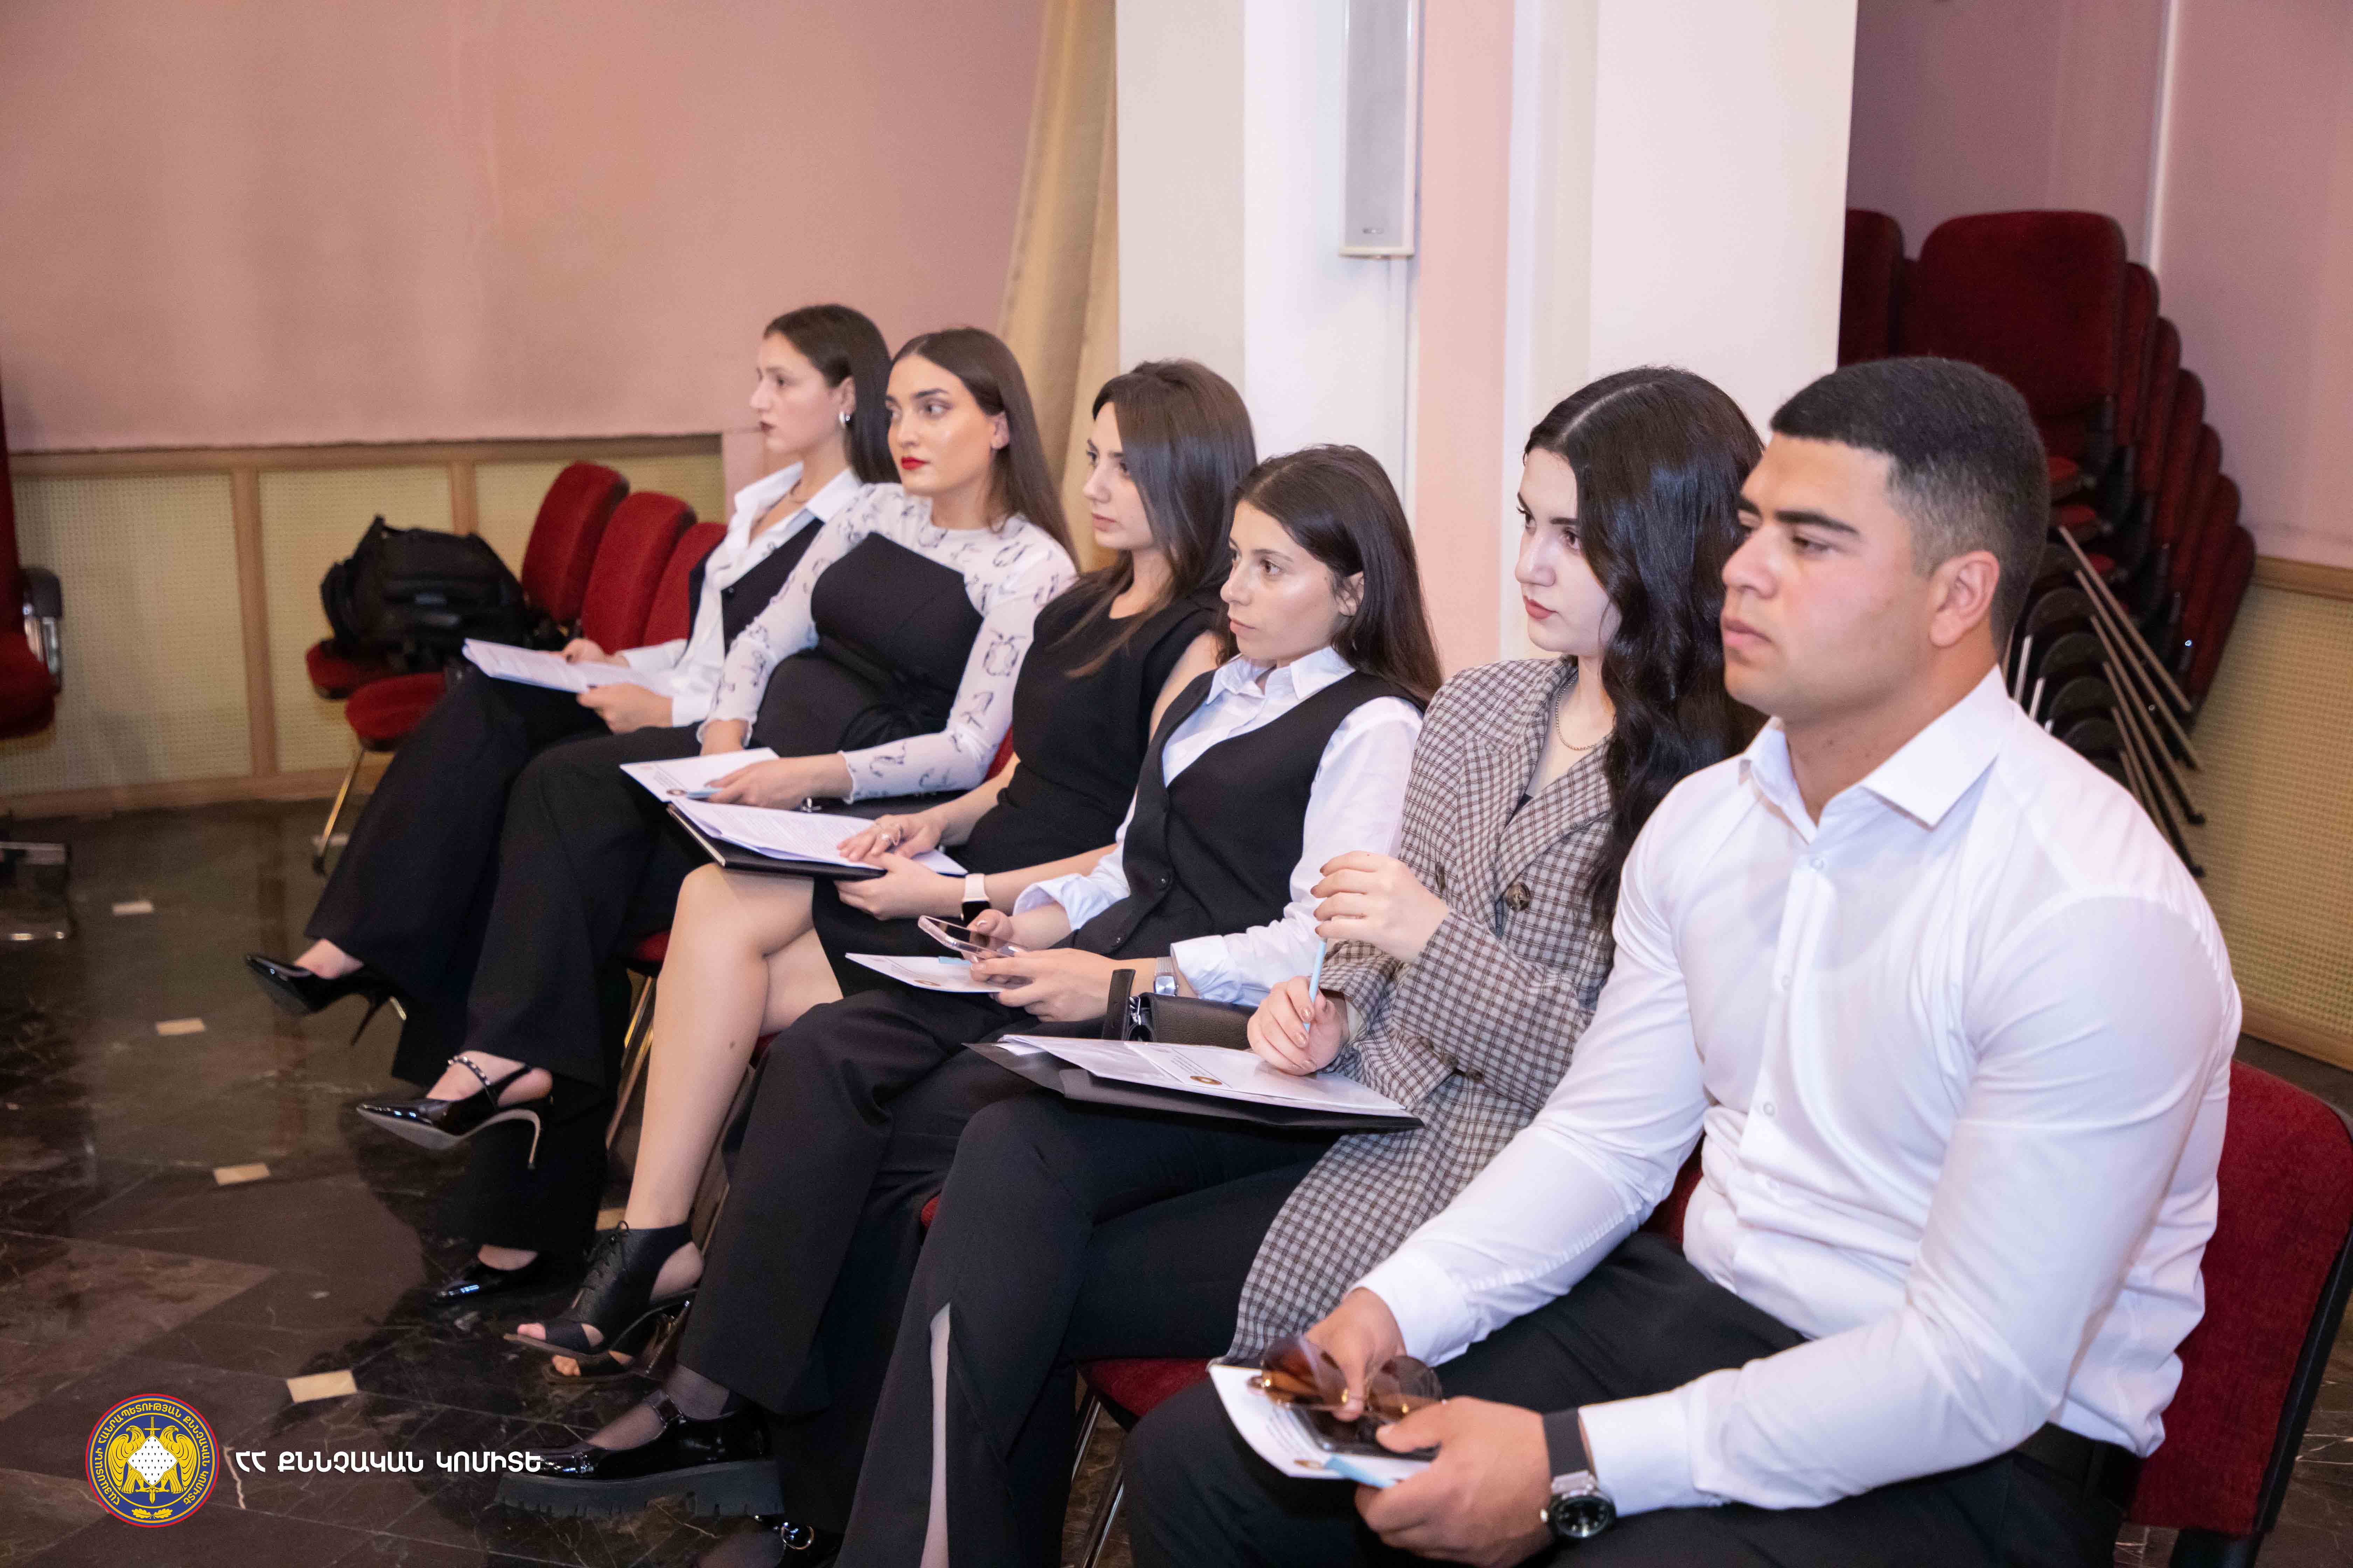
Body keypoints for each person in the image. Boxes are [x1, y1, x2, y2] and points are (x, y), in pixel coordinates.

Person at [1125, 357, 2241, 1568]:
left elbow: (1972, 1371)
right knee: (1213, 1463)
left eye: (1809, 543)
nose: (1743, 569)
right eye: (1752, 526)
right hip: (1697, 1320)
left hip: (1978, 1457)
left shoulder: (2092, 911)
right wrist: (1400, 1303)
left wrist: (1574, 1464)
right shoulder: (1710, 823)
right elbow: (1606, 1141)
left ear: (1956, 595)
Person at [829, 367, 1764, 1566]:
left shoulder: (1717, 788)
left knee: (1021, 1277)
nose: (1530, 563)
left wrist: (1428, 946)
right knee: (1014, 1152)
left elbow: (1618, 1099)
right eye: (1528, 521)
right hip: (1343, 1103)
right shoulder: (1481, 708)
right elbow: (1361, 937)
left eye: (1572, 537)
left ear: (1669, 546)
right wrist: (1324, 1009)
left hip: (1472, 1176)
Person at [495, 445, 1444, 1553]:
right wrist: (1022, 915)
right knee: (828, 1057)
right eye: (1235, 560)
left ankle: (801, 1466)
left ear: (1355, 591)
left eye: (1270, 569)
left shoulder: (1375, 726)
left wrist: (1114, 976)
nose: (1233, 589)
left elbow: (1313, 942)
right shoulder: (1228, 687)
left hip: (1196, 1022)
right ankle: (745, 1424)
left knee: (910, 1142)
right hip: (1094, 970)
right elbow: (1128, 863)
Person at [506, 359, 1254, 1370]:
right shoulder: (1086, 602)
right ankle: (661, 1242)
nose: (1093, 486)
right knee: (715, 906)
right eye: (1092, 458)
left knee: (745, 965)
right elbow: (1021, 774)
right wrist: (929, 822)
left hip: (1035, 909)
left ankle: (663, 1255)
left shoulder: (1200, 647)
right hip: (970, 863)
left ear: (1192, 473)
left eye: (1125, 467)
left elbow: (1134, 851)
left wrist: (953, 887)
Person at [349, 327, 1076, 1294]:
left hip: (860, 812)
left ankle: (522, 1164)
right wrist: (727, 737)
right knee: (564, 811)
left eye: (934, 409)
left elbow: (966, 745)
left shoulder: (1033, 567)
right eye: (897, 410)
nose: (906, 432)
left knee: (573, 858)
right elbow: (765, 634)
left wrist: (805, 774)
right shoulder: (877, 510)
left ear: (1000, 425)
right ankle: (518, 1120)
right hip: (756, 776)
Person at [245, 303, 898, 1094]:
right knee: (494, 699)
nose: (758, 399)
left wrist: (665, 712)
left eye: (782, 382)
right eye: (758, 378)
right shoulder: (765, 499)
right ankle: (358, 945)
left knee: (544, 785)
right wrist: (622, 661)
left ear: (846, 395)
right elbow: (708, 646)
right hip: (679, 694)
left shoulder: (866, 521)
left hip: (730, 735)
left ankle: (480, 1041)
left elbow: (803, 682)